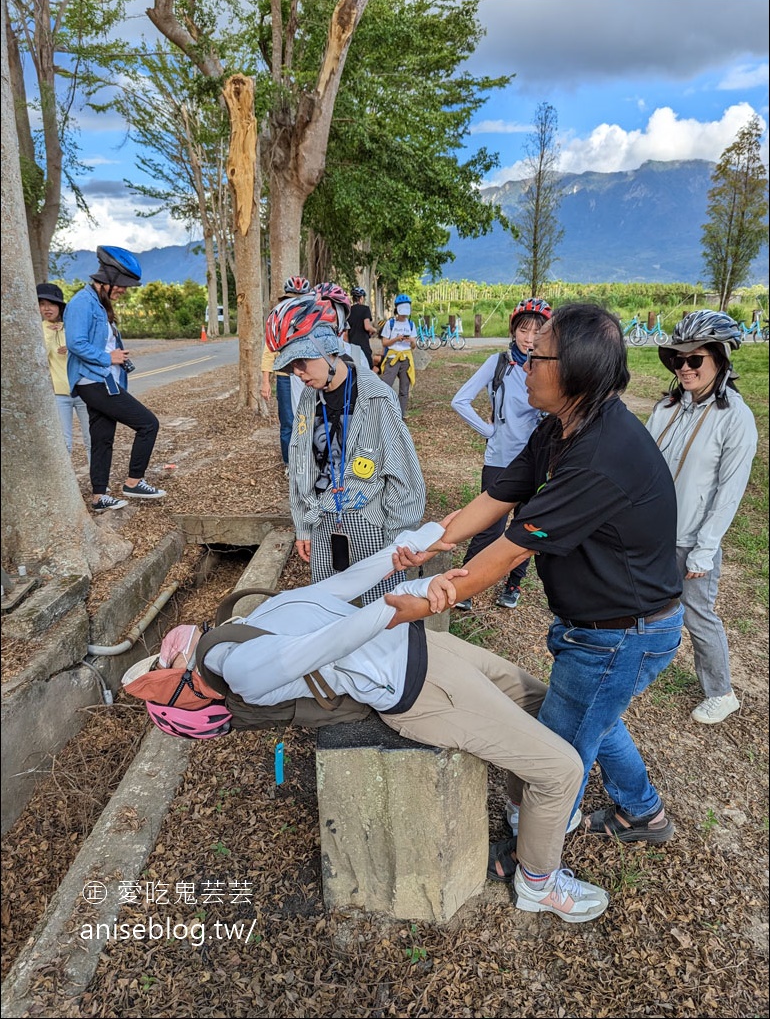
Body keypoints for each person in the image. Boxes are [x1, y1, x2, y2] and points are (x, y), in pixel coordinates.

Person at [126, 519, 610, 923]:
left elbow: (334, 590)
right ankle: (537, 883)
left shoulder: (232, 632)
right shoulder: (240, 670)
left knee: (540, 703)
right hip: (424, 692)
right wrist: (409, 595)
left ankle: (526, 812)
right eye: (161, 666)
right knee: (561, 768)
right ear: (188, 684)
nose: (166, 648)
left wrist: (403, 552)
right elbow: (330, 642)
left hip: (427, 647)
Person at [388, 303, 685, 846]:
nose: (523, 365)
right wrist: (435, 542)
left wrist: (436, 597)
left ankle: (534, 850)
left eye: (536, 356)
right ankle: (644, 813)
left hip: (622, 633)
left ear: (573, 371)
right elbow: (503, 491)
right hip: (598, 624)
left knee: (554, 752)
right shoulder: (561, 426)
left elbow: (509, 551)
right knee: (595, 714)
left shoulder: (600, 455)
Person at [265, 293, 425, 604]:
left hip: (371, 526)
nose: (297, 372)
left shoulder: (376, 398)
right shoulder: (309, 400)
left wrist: (396, 544)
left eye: (301, 361)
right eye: (290, 365)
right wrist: (302, 526)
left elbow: (403, 477)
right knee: (326, 608)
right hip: (324, 522)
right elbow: (300, 464)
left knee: (380, 611)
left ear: (328, 349)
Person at [645, 311, 758, 725]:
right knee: (651, 601)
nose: (685, 368)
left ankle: (721, 691)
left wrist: (704, 550)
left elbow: (729, 492)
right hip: (654, 531)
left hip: (691, 537)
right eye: (678, 360)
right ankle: (644, 663)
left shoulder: (736, 418)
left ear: (722, 360)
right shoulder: (668, 407)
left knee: (697, 614)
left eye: (696, 360)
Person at [451, 298, 552, 610]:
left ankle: (513, 583)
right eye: (524, 329)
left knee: (527, 528)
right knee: (488, 527)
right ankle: (463, 586)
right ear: (514, 330)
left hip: (538, 462)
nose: (530, 337)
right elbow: (460, 400)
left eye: (538, 331)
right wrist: (489, 430)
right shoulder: (497, 363)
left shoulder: (551, 367)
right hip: (500, 460)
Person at [64, 246, 165, 512]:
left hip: (103, 380)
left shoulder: (99, 303)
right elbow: (75, 343)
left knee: (102, 437)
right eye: (121, 285)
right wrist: (110, 358)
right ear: (107, 278)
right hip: (93, 380)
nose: (123, 290)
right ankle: (134, 481)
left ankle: (99, 497)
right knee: (148, 424)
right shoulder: (81, 303)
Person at [261, 276, 312, 475]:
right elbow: (268, 350)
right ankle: (289, 462)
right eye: (292, 298)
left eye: (300, 298)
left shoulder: (311, 318)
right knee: (288, 421)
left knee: (308, 419)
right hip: (284, 376)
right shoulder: (277, 319)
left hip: (307, 376)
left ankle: (308, 458)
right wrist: (265, 381)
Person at [37, 282, 91, 462]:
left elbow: (87, 348)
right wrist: (51, 335)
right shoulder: (38, 330)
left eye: (51, 304)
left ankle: (99, 483)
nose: (47, 308)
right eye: (42, 304)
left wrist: (72, 347)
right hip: (59, 395)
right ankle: (66, 489)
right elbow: (39, 357)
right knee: (64, 443)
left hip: (83, 390)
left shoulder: (72, 325)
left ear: (59, 306)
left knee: (92, 440)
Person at [379, 293, 418, 419]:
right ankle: (382, 412)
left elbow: (414, 346)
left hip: (406, 358)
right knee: (386, 385)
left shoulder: (411, 324)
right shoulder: (390, 324)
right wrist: (396, 339)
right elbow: (385, 343)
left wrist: (411, 341)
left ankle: (400, 415)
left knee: (404, 389)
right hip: (392, 357)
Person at [346, 286, 377, 369]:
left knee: (354, 368)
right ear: (362, 298)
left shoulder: (348, 311)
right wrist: (374, 330)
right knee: (368, 367)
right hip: (363, 344)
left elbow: (346, 333)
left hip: (352, 344)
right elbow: (367, 326)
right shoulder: (365, 309)